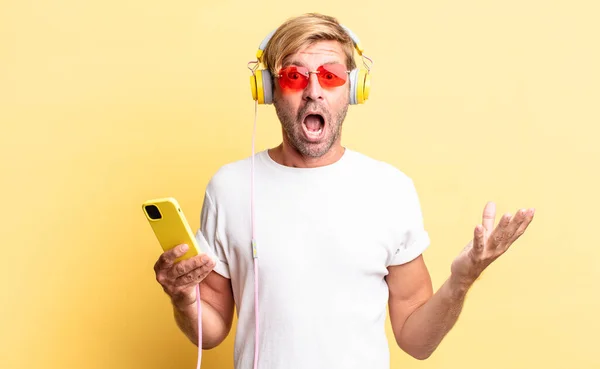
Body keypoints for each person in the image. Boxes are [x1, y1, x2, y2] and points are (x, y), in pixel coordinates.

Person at [153, 12, 535, 369]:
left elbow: (417, 342)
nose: (314, 91)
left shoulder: (390, 189)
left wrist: (462, 280)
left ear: (353, 89)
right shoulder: (230, 187)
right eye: (294, 77)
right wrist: (183, 298)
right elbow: (212, 329)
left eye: (331, 76)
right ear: (268, 89)